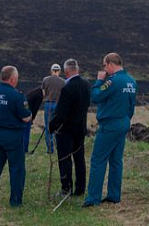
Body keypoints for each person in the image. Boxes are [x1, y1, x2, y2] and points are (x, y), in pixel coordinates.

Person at [83, 53, 137, 207]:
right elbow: (131, 106)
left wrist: (99, 80)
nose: (104, 68)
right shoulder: (131, 81)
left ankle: (93, 198)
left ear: (110, 64)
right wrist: (125, 120)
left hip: (110, 124)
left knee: (98, 160)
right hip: (123, 122)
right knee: (116, 160)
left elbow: (96, 96)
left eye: (104, 65)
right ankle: (114, 195)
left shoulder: (113, 81)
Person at [0, 66, 32, 207]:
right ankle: (15, 202)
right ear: (13, 79)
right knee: (16, 169)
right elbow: (26, 118)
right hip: (13, 136)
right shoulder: (17, 96)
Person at [49, 58, 91, 197]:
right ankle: (80, 189)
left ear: (66, 72)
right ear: (77, 69)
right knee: (79, 159)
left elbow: (61, 113)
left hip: (66, 130)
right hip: (80, 128)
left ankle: (66, 189)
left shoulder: (67, 88)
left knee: (65, 159)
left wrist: (52, 125)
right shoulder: (86, 84)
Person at [41, 63, 65, 153]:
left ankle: (50, 149)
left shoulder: (45, 80)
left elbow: (43, 94)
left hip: (48, 104)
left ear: (51, 70)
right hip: (58, 105)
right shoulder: (63, 82)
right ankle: (59, 147)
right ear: (59, 71)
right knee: (59, 127)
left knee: (48, 127)